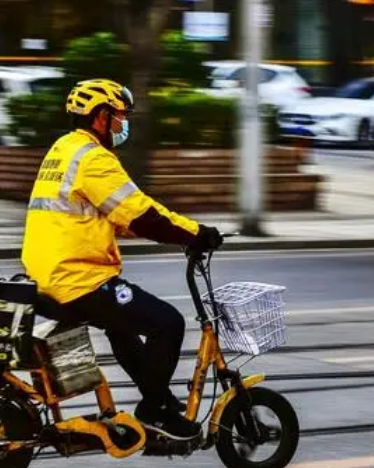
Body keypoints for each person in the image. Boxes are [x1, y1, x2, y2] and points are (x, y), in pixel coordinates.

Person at [21, 79, 223, 440]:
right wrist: (196, 234)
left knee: (122, 326)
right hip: (78, 279)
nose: (122, 124)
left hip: (48, 274)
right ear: (101, 117)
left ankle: (156, 399)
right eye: (120, 116)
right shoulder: (94, 159)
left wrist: (179, 228)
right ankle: (156, 411)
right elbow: (141, 214)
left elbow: (115, 211)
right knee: (168, 323)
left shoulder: (64, 149)